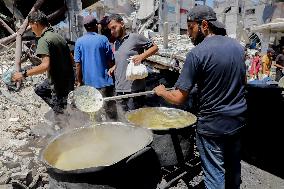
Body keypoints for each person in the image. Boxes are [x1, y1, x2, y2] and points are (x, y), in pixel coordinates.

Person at [154, 5, 247, 189]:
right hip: (237, 122)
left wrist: (162, 92)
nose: (189, 34)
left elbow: (179, 97)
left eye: (190, 28)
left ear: (204, 25)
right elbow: (242, 81)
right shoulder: (238, 47)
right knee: (233, 168)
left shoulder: (197, 54)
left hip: (213, 127)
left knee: (214, 176)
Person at [12, 10, 74, 115]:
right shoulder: (58, 37)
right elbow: (72, 60)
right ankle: (61, 110)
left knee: (61, 120)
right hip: (68, 81)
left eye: (31, 27)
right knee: (40, 90)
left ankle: (63, 115)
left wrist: (23, 74)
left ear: (35, 24)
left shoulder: (43, 40)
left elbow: (45, 65)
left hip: (58, 85)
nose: (32, 30)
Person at [106, 14, 158, 114]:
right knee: (123, 122)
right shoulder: (116, 43)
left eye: (114, 27)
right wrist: (114, 66)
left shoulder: (134, 38)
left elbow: (155, 47)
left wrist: (141, 56)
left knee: (135, 123)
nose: (112, 31)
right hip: (119, 90)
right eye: (110, 29)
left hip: (134, 91)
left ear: (121, 24)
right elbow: (123, 59)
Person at [74, 15, 117, 120]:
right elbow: (110, 60)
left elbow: (78, 64)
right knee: (111, 112)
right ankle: (114, 131)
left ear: (84, 27)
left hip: (89, 85)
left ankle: (97, 133)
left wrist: (79, 81)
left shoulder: (79, 42)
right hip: (106, 82)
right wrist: (113, 74)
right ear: (96, 25)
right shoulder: (103, 39)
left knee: (93, 114)